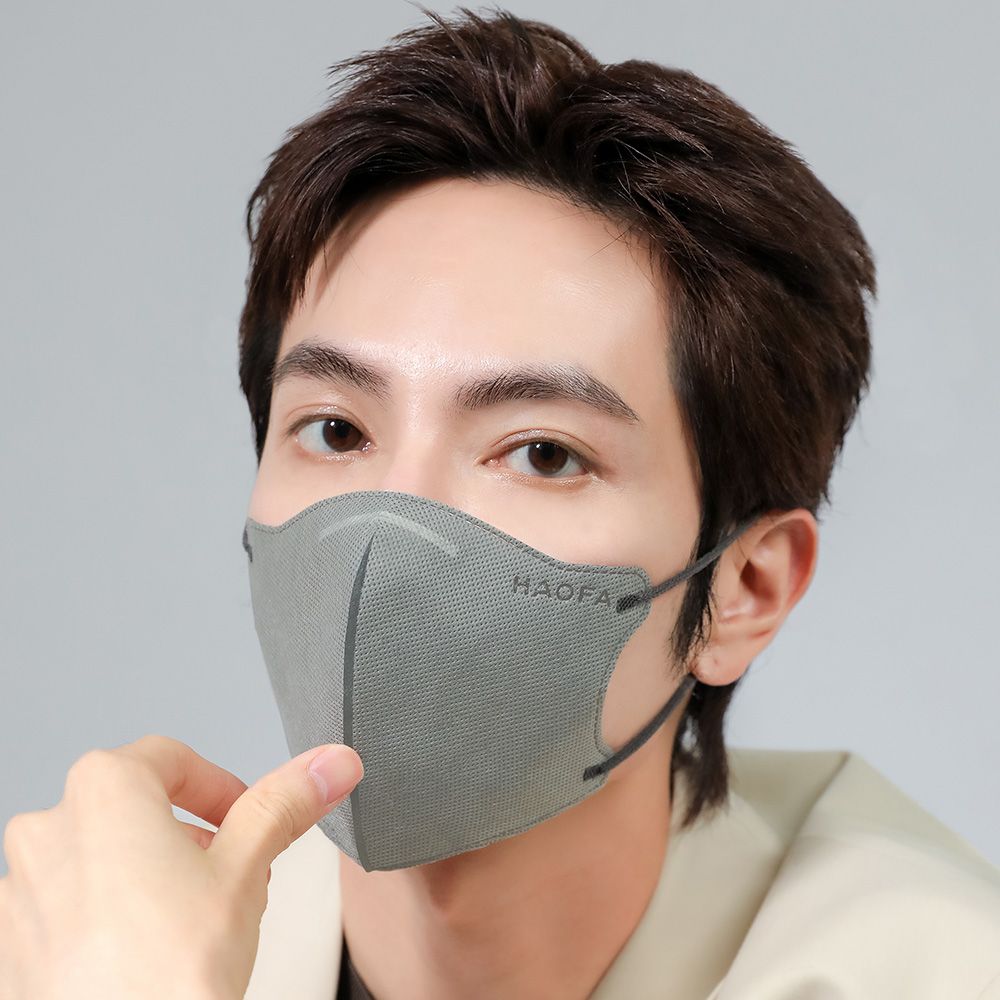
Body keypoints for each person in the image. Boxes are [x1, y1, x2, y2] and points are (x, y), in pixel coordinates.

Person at [2, 9, 998, 999]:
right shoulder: (91, 955)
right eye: (336, 430)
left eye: (541, 453)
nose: (389, 534)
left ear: (744, 589)